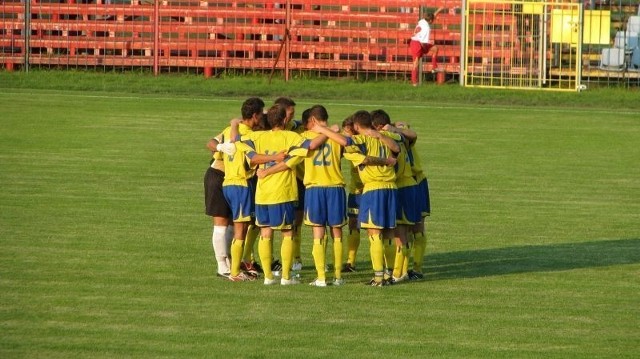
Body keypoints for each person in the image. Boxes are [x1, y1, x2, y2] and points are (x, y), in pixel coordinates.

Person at [236, 104, 326, 285]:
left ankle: (268, 277)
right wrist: (329, 131)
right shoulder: (292, 137)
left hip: (262, 193)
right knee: (287, 233)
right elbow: (311, 145)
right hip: (283, 192)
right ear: (285, 120)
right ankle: (285, 276)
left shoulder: (256, 136)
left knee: (265, 233)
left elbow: (238, 140)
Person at [221, 98, 286, 282]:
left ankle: (241, 266)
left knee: (245, 226)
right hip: (240, 184)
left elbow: (217, 150)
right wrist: (276, 157)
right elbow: (254, 159)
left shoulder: (228, 131)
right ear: (255, 115)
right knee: (240, 230)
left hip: (228, 183)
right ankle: (234, 272)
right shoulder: (249, 135)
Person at [343, 110, 400, 286]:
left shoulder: (359, 141)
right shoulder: (386, 136)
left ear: (357, 126)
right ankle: (389, 275)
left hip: (373, 188)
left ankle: (378, 277)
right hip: (391, 187)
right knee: (389, 232)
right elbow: (398, 146)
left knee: (374, 233)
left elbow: (364, 158)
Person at [371, 110, 420, 283]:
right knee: (405, 232)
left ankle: (397, 274)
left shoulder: (387, 138)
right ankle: (403, 271)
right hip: (412, 185)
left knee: (399, 234)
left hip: (401, 187)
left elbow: (395, 169)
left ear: (377, 127)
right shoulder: (400, 136)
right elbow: (412, 134)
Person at [204, 126, 236, 279]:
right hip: (218, 176)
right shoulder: (231, 129)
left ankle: (229, 261)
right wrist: (220, 147)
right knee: (220, 223)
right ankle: (222, 266)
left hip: (235, 180)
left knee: (234, 222)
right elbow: (210, 143)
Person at [341, 116, 363, 273]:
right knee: (353, 224)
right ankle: (351, 262)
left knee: (376, 228)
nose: (344, 135)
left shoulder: (361, 142)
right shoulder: (348, 145)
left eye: (346, 131)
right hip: (355, 190)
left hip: (371, 190)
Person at [409, 7, 444, 86]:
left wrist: (438, 10)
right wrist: (425, 51)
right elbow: (423, 43)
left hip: (416, 42)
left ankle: (434, 67)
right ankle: (414, 82)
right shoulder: (427, 28)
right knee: (416, 63)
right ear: (431, 20)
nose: (434, 21)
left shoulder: (422, 20)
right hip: (417, 43)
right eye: (433, 20)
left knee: (435, 49)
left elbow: (432, 16)